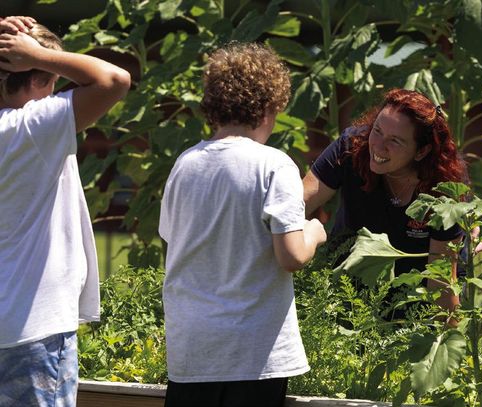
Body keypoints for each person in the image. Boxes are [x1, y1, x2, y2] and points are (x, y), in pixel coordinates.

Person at [159, 42, 327, 407]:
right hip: (253, 355)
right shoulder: (274, 165)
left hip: (191, 351)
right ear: (271, 106)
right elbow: (291, 256)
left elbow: (174, 241)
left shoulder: (185, 165)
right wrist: (313, 232)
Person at [0, 17, 130, 406]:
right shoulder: (31, 128)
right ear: (29, 76)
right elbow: (114, 80)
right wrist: (37, 54)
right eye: (52, 79)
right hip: (31, 327)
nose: (58, 90)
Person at [303, 88, 468, 313]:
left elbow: (440, 285)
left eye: (395, 141)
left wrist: (446, 341)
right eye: (377, 131)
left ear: (421, 151)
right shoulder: (351, 147)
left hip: (416, 296)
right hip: (352, 282)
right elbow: (297, 204)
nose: (378, 146)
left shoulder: (443, 190)